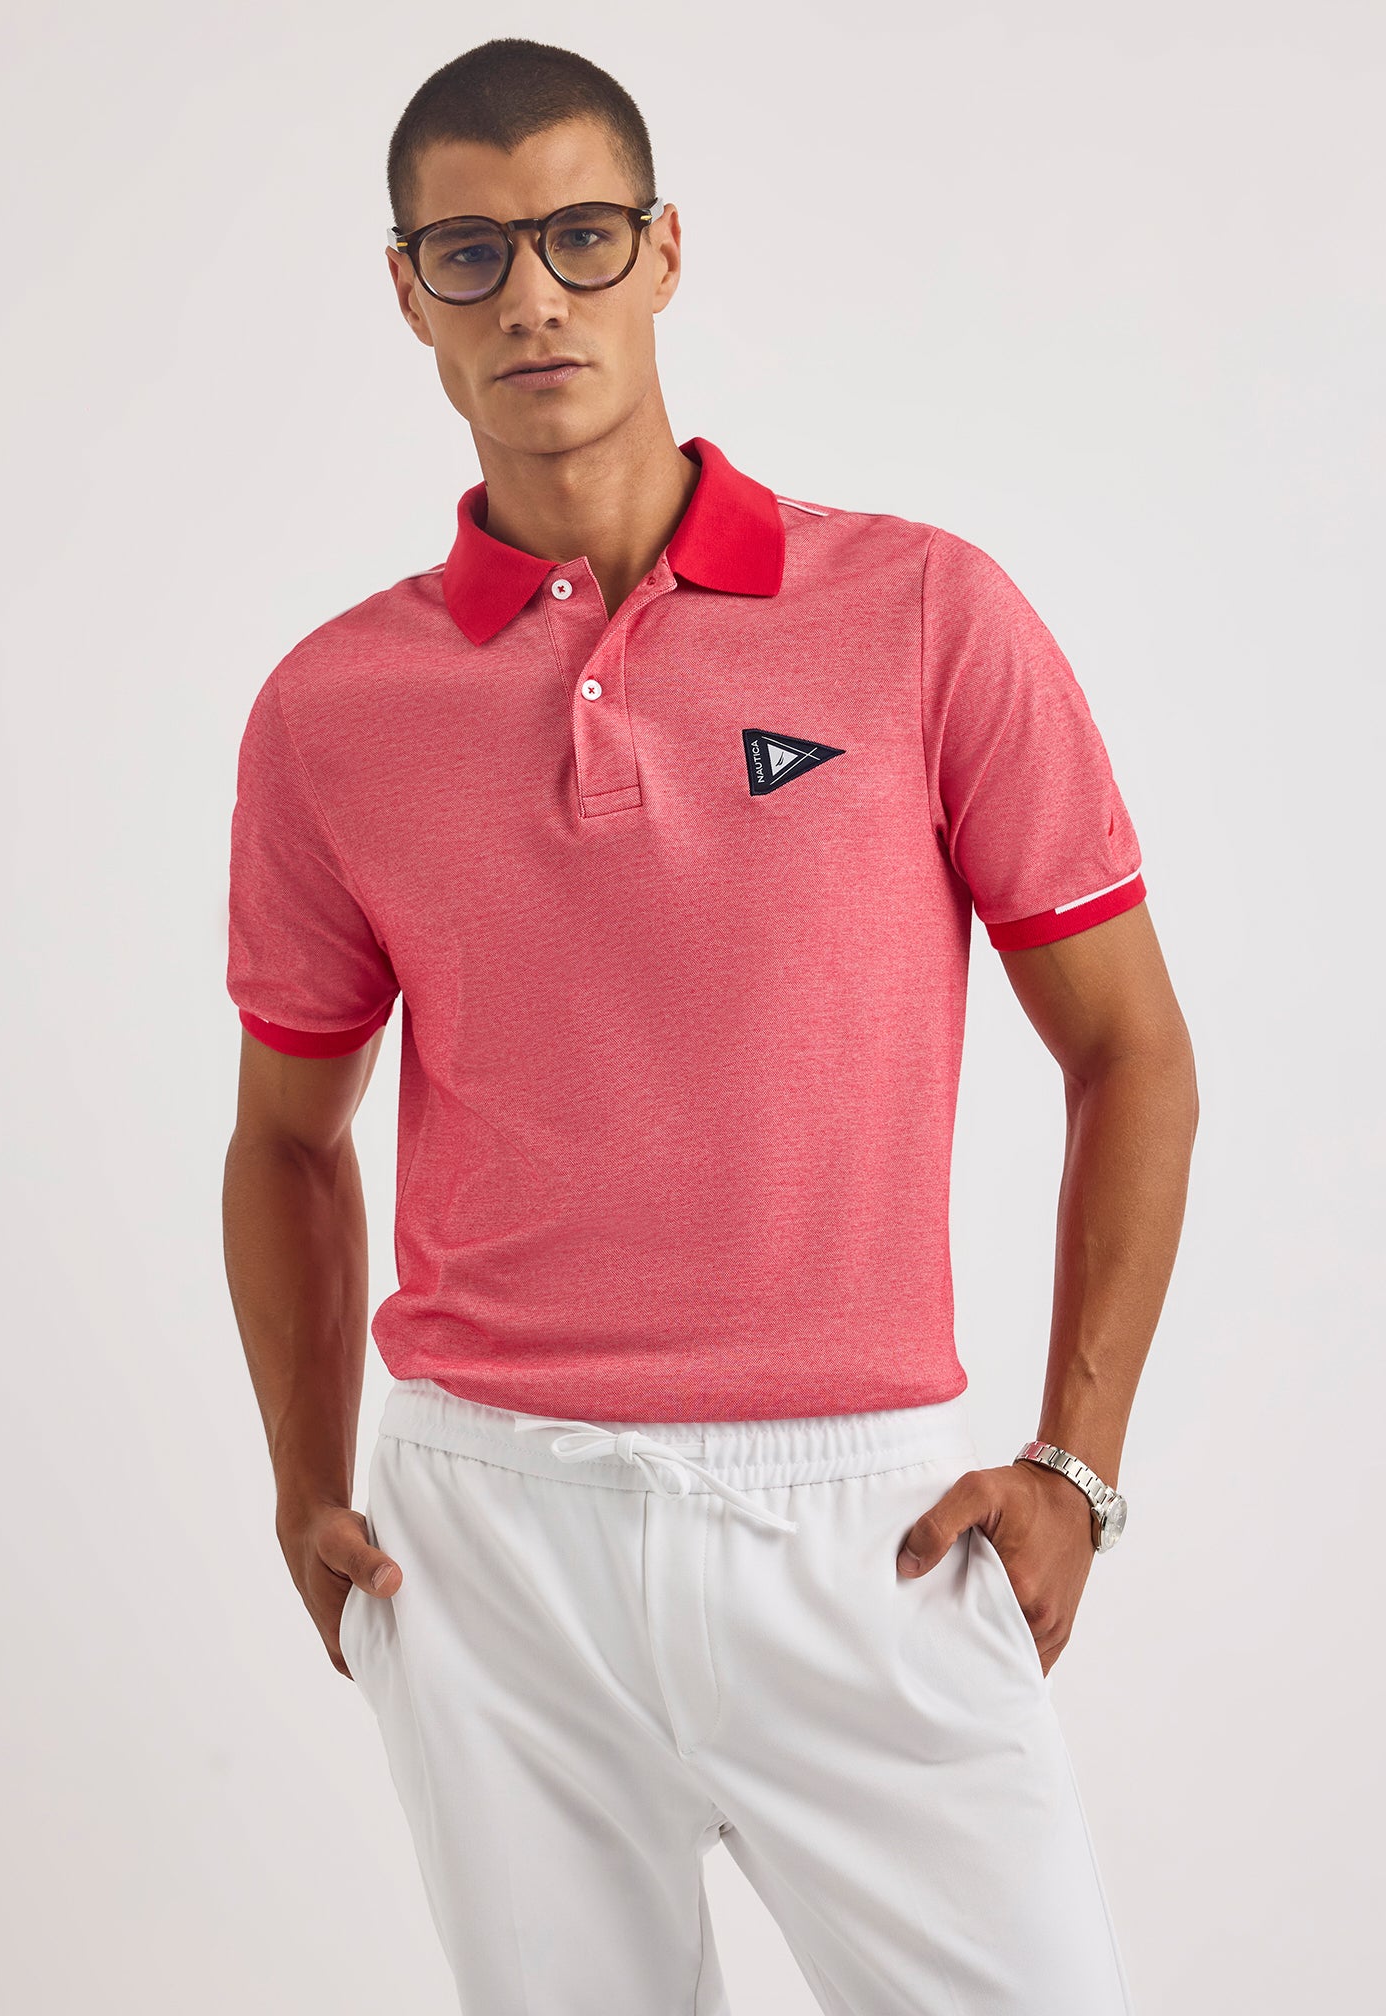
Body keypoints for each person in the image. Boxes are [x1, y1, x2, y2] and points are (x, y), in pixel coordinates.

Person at [222, 35, 1197, 2016]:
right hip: (489, 1537)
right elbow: (286, 1139)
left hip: (866, 1527)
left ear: (665, 252)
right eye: (473, 253)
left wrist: (1077, 1469)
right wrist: (303, 1478)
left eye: (581, 235)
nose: (534, 295)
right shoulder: (330, 712)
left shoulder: (923, 615)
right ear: (408, 291)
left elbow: (1133, 1053)